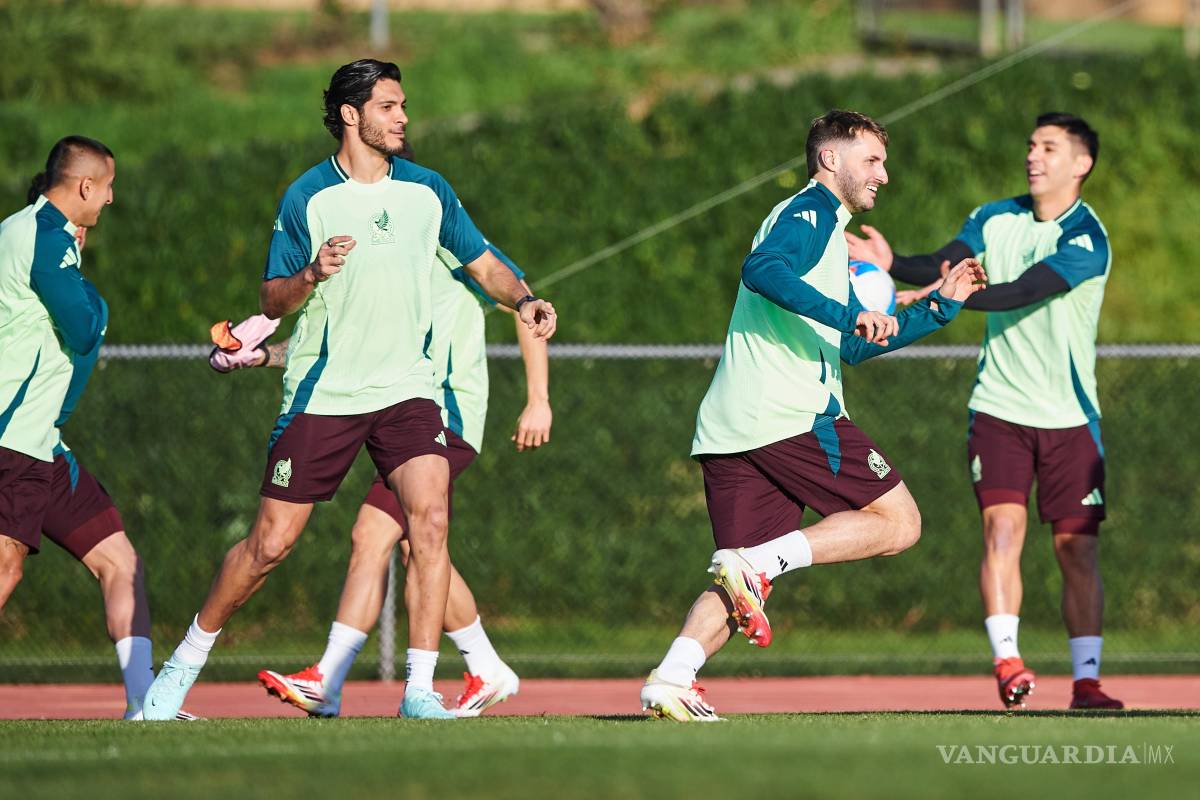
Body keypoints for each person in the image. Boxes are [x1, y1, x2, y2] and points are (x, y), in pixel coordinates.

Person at [141, 59, 556, 721]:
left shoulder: (428, 190)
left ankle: (418, 689)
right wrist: (312, 271)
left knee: (431, 521)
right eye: (390, 106)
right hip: (325, 397)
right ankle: (176, 674)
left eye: (403, 105)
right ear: (350, 115)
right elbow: (272, 299)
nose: (403, 118)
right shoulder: (308, 195)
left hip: (409, 393)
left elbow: (485, 265)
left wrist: (527, 299)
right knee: (268, 546)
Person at [639, 110, 986, 721]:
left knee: (739, 584)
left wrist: (938, 306)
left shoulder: (827, 232)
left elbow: (853, 342)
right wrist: (846, 311)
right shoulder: (811, 213)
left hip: (732, 427)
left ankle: (672, 677)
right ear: (831, 159)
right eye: (872, 160)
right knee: (900, 523)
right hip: (789, 413)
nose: (884, 173)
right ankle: (760, 563)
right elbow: (762, 270)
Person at [210, 160, 551, 718]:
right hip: (397, 408)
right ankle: (485, 665)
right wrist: (262, 355)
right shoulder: (366, 249)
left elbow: (520, 296)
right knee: (414, 541)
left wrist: (538, 399)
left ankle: (330, 677)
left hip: (443, 412)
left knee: (376, 533)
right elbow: (343, 351)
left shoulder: (436, 229)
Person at [845, 112, 1120, 711]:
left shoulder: (1084, 240)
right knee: (1002, 530)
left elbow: (1020, 292)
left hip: (1070, 417)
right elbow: (944, 262)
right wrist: (895, 265)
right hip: (998, 408)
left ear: (1081, 164)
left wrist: (944, 297)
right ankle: (1008, 663)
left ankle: (1088, 681)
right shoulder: (996, 216)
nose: (1033, 155)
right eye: (1030, 144)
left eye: (1049, 147)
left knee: (1077, 550)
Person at [0, 137, 188, 719]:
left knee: (120, 561)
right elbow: (84, 329)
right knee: (5, 567)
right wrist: (95, 300)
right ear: (84, 186)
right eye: (107, 187)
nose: (110, 199)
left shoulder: (29, 233)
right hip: (11, 441)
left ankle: (145, 703)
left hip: (43, 445)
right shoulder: (45, 237)